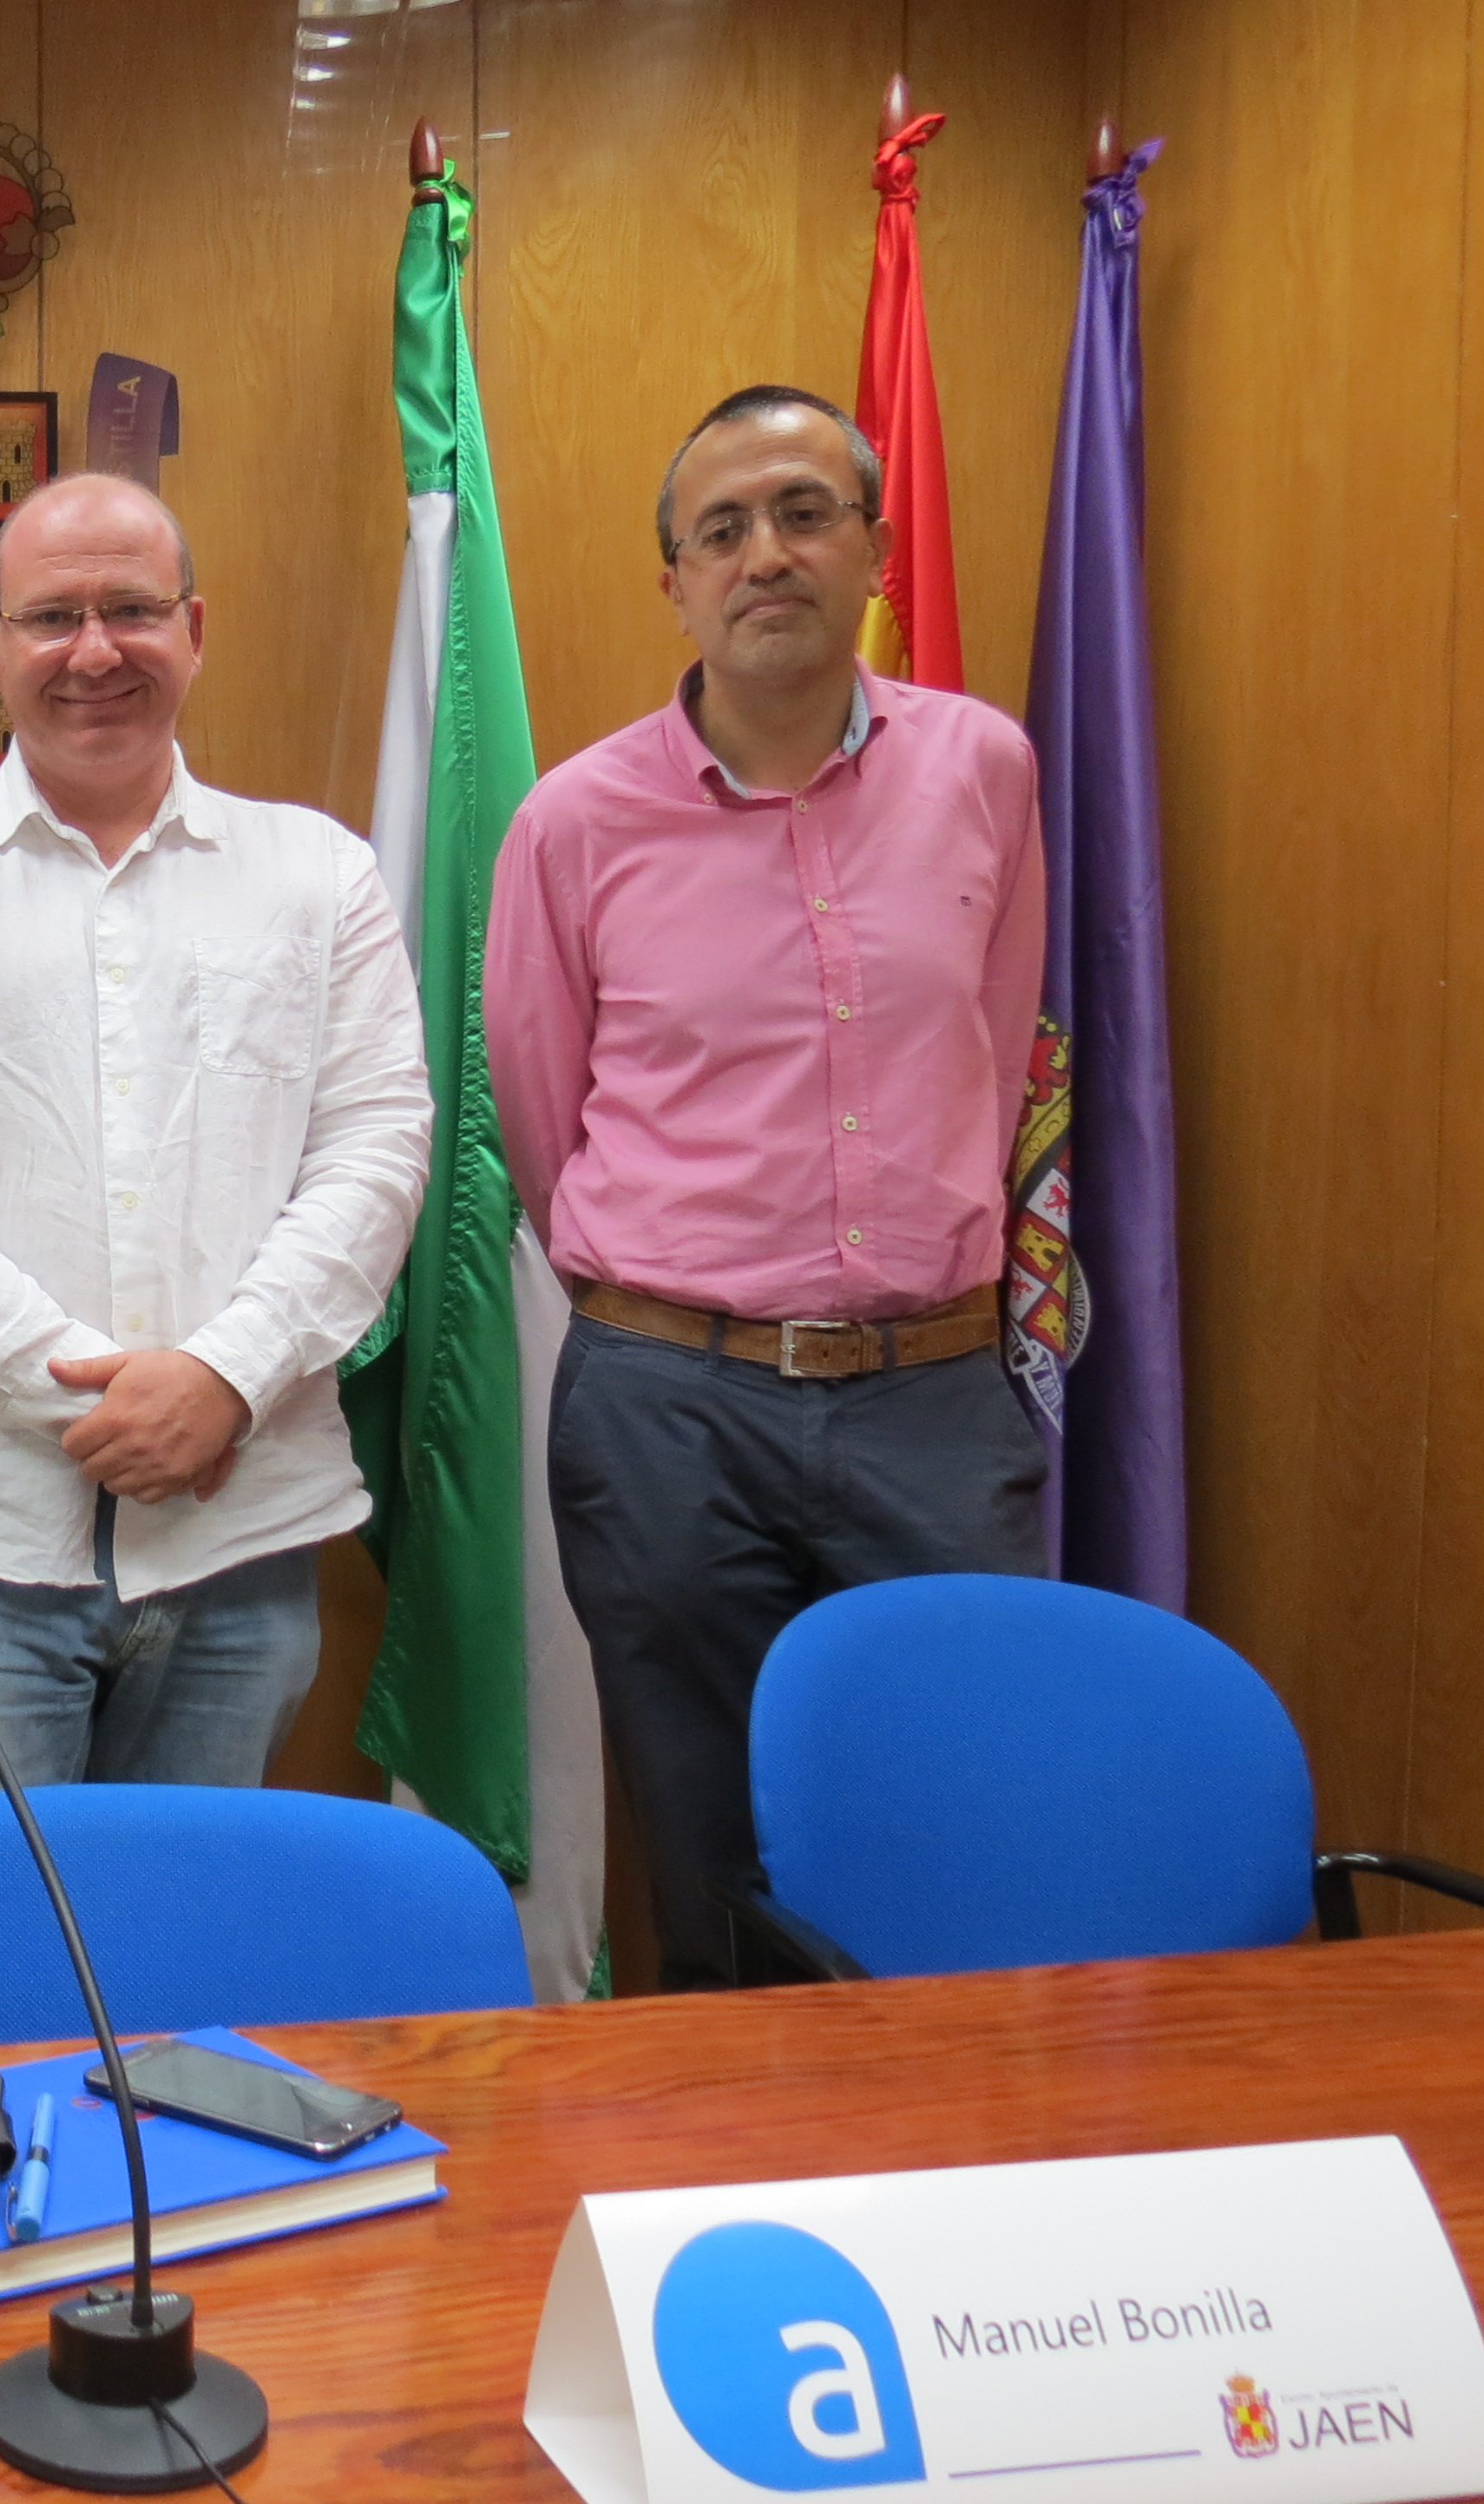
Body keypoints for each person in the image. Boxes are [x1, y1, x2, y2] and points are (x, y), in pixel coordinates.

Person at [484, 384, 1049, 1991]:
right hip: (672, 1405)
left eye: (805, 513)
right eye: (720, 530)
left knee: (960, 1837)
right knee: (710, 1859)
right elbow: (543, 1118)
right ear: (673, 581)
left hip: (933, 1399)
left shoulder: (986, 769)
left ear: (874, 546)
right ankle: (730, 2148)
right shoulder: (575, 822)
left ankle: (939, 2143)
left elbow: (997, 1043)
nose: (766, 555)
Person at [0, 472, 432, 1811]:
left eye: (131, 609)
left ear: (195, 628)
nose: (93, 651)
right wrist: (106, 1407)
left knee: (180, 1933)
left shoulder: (320, 877)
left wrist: (226, 1381)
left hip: (241, 1530)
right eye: (51, 616)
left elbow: (375, 1152)